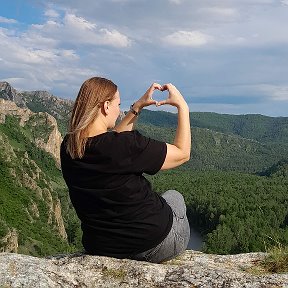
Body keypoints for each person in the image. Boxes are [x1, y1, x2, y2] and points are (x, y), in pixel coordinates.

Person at [60, 77, 191, 263]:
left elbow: (112, 141)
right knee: (174, 196)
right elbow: (182, 154)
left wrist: (137, 107)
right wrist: (183, 107)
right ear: (106, 106)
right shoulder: (126, 145)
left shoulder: (69, 147)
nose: (119, 110)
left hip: (101, 247)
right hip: (155, 245)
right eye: (118, 104)